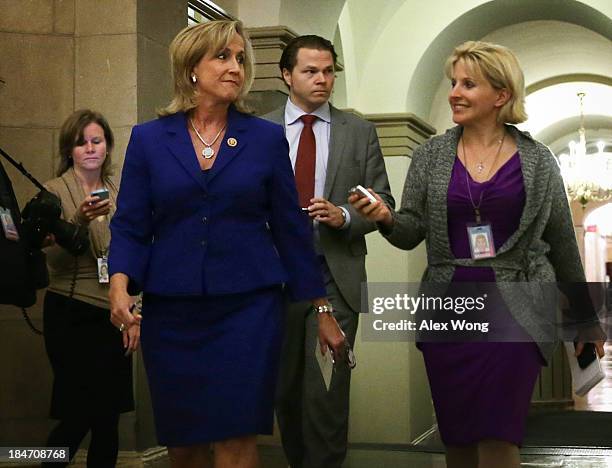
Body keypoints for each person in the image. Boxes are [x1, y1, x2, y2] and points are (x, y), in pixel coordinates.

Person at [349, 41, 604, 468]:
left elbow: (562, 243)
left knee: (499, 434)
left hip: (518, 309)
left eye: (469, 83)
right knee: (459, 439)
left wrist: (584, 318)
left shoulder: (539, 161)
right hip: (450, 306)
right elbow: (411, 231)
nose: (454, 92)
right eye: (454, 82)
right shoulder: (431, 155)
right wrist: (385, 218)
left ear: (501, 95)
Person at [108, 21, 345, 468]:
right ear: (191, 67)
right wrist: (120, 287)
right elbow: (131, 225)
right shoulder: (150, 140)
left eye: (240, 58)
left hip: (249, 309)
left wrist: (322, 308)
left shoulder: (264, 139)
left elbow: (291, 231)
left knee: (237, 437)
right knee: (184, 443)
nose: (236, 67)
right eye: (222, 57)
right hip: (172, 310)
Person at [263, 35, 394, 468]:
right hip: (272, 282)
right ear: (286, 75)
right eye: (311, 71)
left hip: (333, 280)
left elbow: (382, 205)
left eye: (329, 71)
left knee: (326, 397)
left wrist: (345, 215)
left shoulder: (358, 132)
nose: (323, 80)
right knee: (285, 394)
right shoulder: (258, 130)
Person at [42, 109, 134, 467]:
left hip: (111, 314)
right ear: (70, 149)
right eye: (82, 143)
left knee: (108, 418)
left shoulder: (119, 191)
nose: (90, 149)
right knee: (79, 414)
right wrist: (79, 220)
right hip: (71, 312)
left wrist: (133, 310)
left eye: (97, 141)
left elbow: (133, 254)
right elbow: (54, 263)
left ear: (108, 147)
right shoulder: (52, 192)